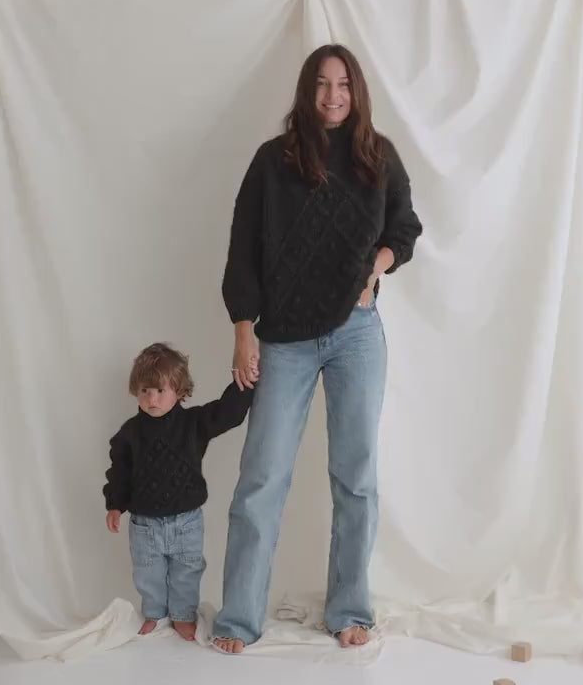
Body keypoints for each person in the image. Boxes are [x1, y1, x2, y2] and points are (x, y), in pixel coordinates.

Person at [211, 44, 423, 654]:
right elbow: (242, 248)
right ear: (307, 91)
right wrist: (243, 328)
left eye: (344, 85)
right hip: (283, 338)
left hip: (357, 334)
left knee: (355, 478)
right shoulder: (272, 161)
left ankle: (350, 608)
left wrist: (377, 265)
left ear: (357, 92)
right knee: (261, 479)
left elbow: (404, 226)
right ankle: (239, 618)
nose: (334, 96)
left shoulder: (377, 156)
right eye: (323, 85)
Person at [103, 342, 255, 640]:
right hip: (145, 525)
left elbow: (228, 413)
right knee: (149, 574)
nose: (152, 398)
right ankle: (155, 614)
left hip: (186, 522)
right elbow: (119, 472)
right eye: (145, 390)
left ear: (180, 391)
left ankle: (183, 615)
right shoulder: (128, 434)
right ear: (136, 390)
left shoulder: (193, 423)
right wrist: (114, 504)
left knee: (187, 570)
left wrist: (246, 379)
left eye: (161, 390)